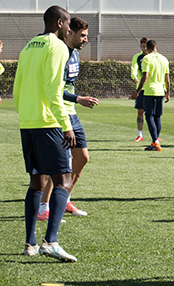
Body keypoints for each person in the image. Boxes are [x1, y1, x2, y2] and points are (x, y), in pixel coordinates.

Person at [14, 5, 77, 262]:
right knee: (64, 180)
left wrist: (26, 115)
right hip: (47, 123)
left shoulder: (28, 46)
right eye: (68, 23)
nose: (70, 29)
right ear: (60, 23)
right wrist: (66, 124)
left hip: (27, 123)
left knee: (36, 181)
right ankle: (51, 241)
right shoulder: (58, 47)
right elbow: (53, 89)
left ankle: (30, 243)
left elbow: (17, 87)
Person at [38, 16, 99, 221]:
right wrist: (78, 98)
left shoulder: (75, 55)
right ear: (69, 32)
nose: (85, 40)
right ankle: (44, 207)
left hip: (72, 112)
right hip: (58, 115)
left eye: (86, 36)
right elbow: (54, 88)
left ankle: (64, 199)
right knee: (60, 166)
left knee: (82, 158)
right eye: (82, 36)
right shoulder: (59, 52)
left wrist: (76, 100)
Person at [131, 39, 170, 151]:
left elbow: (145, 76)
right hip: (160, 91)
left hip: (150, 91)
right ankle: (156, 140)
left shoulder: (146, 58)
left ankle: (155, 143)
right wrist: (168, 93)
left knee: (149, 116)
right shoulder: (164, 59)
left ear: (147, 49)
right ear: (156, 48)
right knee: (157, 116)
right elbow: (167, 79)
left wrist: (137, 91)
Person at [131, 37, 149, 142]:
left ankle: (155, 135)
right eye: (143, 46)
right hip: (141, 89)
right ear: (140, 46)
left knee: (153, 114)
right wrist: (134, 77)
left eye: (146, 46)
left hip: (152, 90)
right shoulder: (137, 57)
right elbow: (134, 68)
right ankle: (140, 134)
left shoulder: (153, 58)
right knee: (140, 111)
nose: (145, 48)